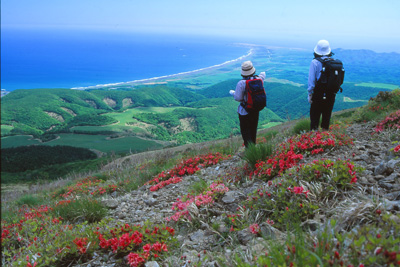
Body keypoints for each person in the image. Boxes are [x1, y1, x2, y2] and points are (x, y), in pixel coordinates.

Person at [229, 61, 266, 148]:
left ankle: (249, 148)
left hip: (244, 110)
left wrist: (233, 93)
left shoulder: (241, 83)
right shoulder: (259, 79)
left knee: (245, 130)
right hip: (255, 108)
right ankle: (253, 145)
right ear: (253, 70)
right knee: (253, 128)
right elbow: (263, 74)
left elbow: (238, 98)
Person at [307, 40, 337, 131]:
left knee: (314, 120)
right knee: (326, 119)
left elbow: (311, 81)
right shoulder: (334, 62)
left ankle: (314, 141)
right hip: (331, 95)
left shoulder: (315, 62)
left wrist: (310, 94)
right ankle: (325, 140)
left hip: (318, 95)